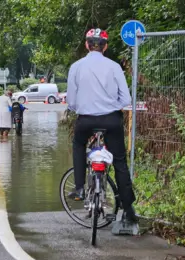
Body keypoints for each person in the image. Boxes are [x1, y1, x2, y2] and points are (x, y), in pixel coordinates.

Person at [66, 28, 138, 223]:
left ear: (86, 45)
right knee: (120, 162)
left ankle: (79, 187)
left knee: (79, 144)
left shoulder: (76, 67)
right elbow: (126, 98)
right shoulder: (114, 67)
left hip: (86, 120)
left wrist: (82, 107)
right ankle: (129, 209)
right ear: (105, 46)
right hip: (111, 120)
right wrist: (110, 107)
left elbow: (71, 101)